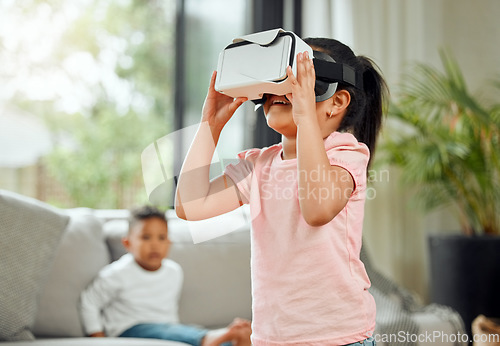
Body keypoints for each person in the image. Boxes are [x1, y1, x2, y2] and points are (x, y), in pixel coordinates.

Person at [175, 35, 388, 346]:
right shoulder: (259, 165)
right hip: (272, 337)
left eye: (299, 78)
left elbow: (317, 210)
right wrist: (210, 125)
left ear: (337, 102)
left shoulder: (345, 154)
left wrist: (305, 120)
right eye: (278, 77)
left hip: (338, 336)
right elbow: (190, 206)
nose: (283, 88)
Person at [79, 205, 252, 346]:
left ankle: (233, 341)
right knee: (170, 332)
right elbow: (89, 302)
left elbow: (169, 316)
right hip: (129, 329)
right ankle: (208, 338)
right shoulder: (117, 273)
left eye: (161, 238)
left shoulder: (173, 271)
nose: (155, 245)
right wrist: (98, 336)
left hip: (168, 328)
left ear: (169, 242)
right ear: (127, 243)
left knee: (178, 331)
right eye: (146, 237)